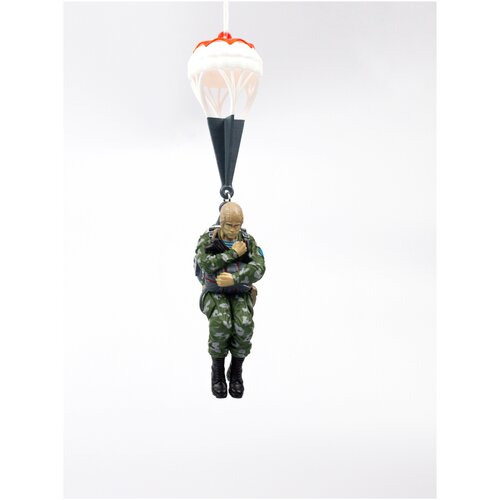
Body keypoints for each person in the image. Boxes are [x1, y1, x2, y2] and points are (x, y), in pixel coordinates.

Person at [194, 202, 265, 398]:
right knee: (221, 323)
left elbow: (259, 268)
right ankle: (217, 372)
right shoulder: (208, 239)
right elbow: (205, 264)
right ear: (221, 222)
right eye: (229, 225)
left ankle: (236, 371)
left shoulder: (247, 241)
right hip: (215, 292)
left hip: (240, 291)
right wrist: (233, 254)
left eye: (237, 225)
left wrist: (235, 278)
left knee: (244, 324)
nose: (234, 230)